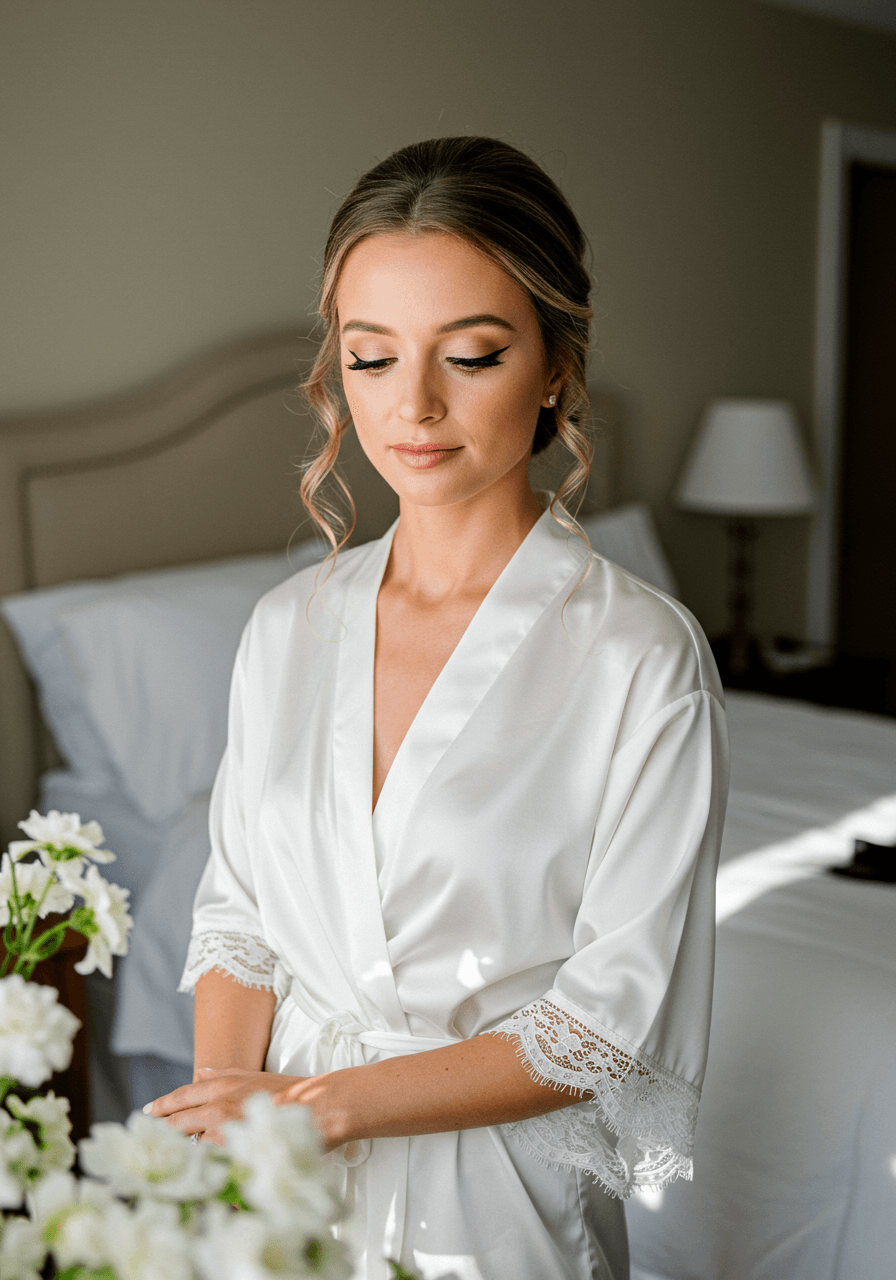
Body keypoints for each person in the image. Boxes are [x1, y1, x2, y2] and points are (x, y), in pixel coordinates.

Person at [148, 137, 729, 1280]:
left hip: (499, 1212)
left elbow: (598, 1021)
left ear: (556, 363)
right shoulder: (284, 626)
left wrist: (326, 1105)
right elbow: (239, 917)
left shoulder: (636, 657)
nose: (411, 405)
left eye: (469, 354)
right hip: (279, 1186)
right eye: (369, 358)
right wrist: (238, 1112)